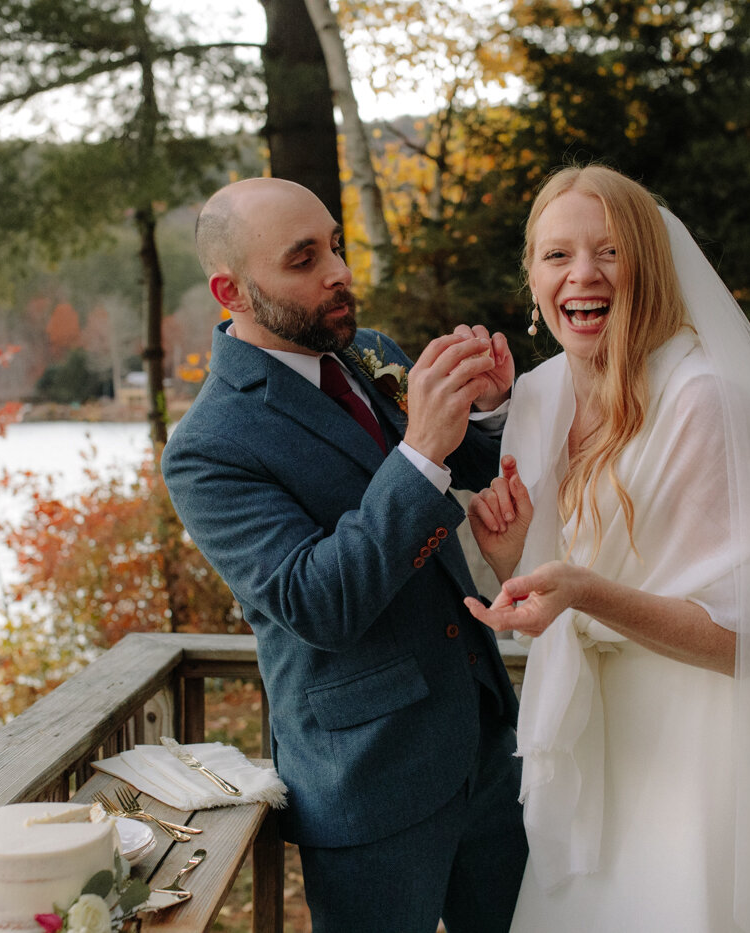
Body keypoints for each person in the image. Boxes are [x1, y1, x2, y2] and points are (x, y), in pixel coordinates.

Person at [464, 165, 750, 933]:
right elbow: (557, 596)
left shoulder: (705, 402)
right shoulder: (539, 396)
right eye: (557, 254)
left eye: (609, 251)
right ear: (532, 278)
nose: (583, 274)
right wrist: (512, 558)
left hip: (703, 750)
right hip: (595, 746)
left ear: (651, 264)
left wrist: (582, 589)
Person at [161, 177, 529, 933]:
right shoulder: (207, 449)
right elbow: (317, 602)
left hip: (486, 735)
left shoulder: (369, 354)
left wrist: (487, 409)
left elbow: (468, 473)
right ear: (231, 289)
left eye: (336, 246)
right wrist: (422, 447)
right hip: (370, 779)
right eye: (303, 259)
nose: (338, 272)